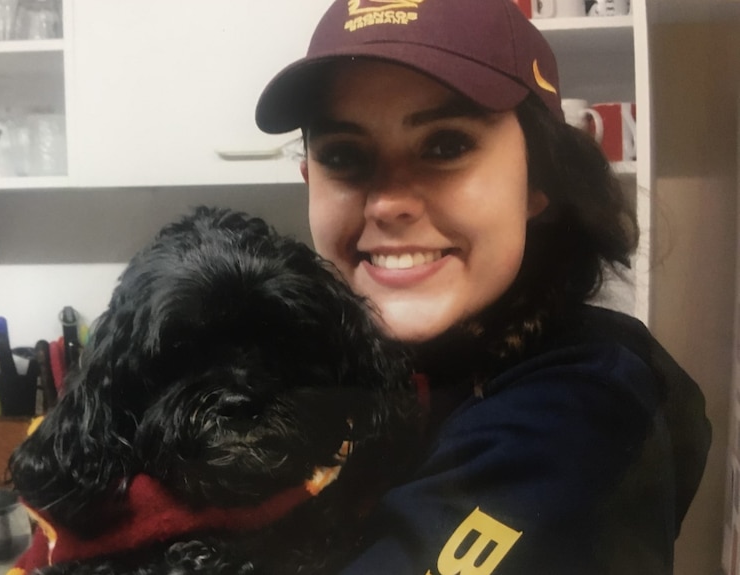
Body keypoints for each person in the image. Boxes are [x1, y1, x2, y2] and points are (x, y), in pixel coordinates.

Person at [254, 0, 712, 573]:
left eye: (446, 146)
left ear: (538, 179)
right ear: (309, 182)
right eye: (344, 156)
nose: (390, 201)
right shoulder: (349, 366)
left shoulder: (577, 410)